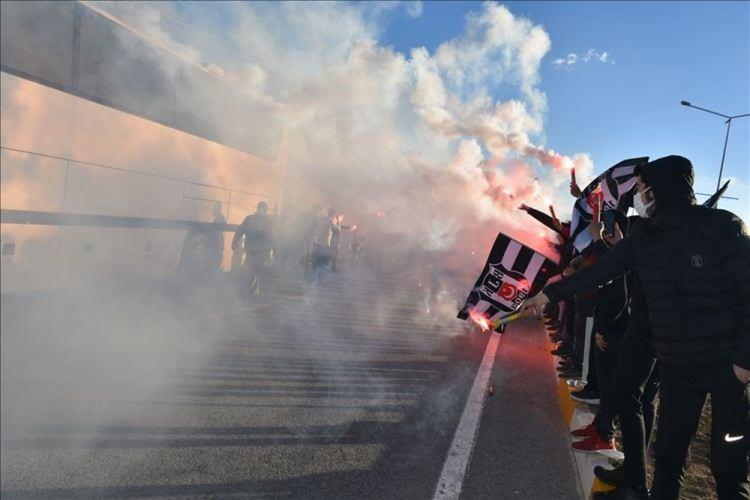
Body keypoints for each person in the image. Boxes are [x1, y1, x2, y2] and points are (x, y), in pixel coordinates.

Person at [524, 155, 750, 500]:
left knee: (728, 470)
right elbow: (600, 271)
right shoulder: (644, 235)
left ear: (660, 190)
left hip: (727, 370)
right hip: (677, 367)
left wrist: (744, 363)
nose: (639, 195)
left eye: (643, 188)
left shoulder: (724, 227)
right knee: (669, 459)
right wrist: (547, 296)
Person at [570, 212, 630, 455]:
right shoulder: (619, 253)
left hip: (615, 330)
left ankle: (605, 434)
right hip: (608, 324)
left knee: (611, 385)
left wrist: (603, 329)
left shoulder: (626, 256)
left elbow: (619, 294)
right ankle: (600, 426)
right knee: (605, 383)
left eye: (610, 227)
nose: (605, 230)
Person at [232, 201, 274, 296]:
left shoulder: (269, 222)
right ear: (257, 208)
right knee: (249, 273)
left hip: (263, 253)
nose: (261, 210)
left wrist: (275, 251)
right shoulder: (250, 219)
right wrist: (235, 242)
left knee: (261, 275)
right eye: (260, 208)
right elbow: (240, 230)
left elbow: (273, 236)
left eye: (263, 209)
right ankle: (247, 293)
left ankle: (257, 293)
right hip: (251, 252)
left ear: (266, 211)